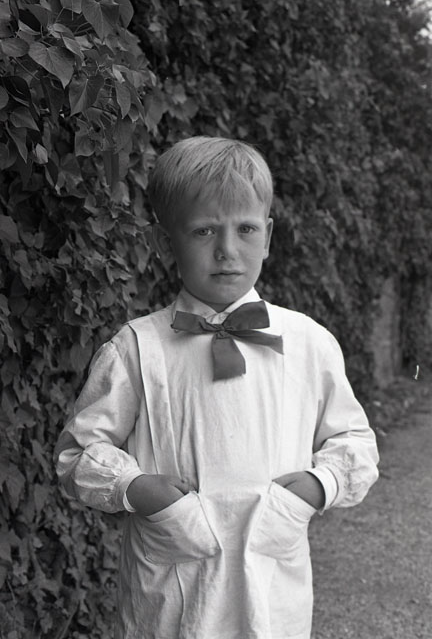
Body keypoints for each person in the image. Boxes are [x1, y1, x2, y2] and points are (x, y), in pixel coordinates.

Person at [54, 136, 379, 639]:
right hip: (172, 584)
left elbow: (354, 441)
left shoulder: (309, 343)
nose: (227, 250)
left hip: (273, 577)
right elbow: (78, 454)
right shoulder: (137, 348)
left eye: (246, 229)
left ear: (267, 237)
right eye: (204, 230)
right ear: (166, 243)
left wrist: (320, 486)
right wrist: (135, 488)